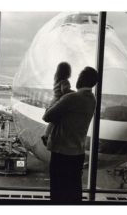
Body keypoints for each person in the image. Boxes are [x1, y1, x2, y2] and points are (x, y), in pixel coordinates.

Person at [42, 66, 98, 204]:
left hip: (62, 152)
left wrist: (57, 97)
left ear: (80, 79)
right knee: (74, 190)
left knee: (57, 191)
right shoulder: (92, 99)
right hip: (77, 152)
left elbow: (47, 116)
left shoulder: (71, 98)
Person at [41, 62, 73, 146]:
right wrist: (75, 93)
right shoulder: (65, 82)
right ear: (68, 72)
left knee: (53, 121)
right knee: (58, 121)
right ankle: (51, 136)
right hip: (59, 103)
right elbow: (65, 91)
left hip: (53, 101)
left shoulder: (57, 81)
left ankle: (46, 135)